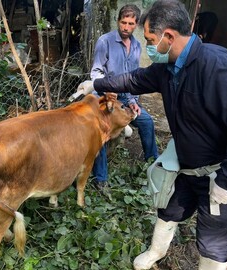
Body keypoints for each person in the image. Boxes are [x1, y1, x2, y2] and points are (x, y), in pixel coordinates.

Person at [77, 0, 227, 269]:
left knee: (212, 242)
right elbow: (131, 79)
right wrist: (95, 84)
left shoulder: (217, 67)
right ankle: (155, 252)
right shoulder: (167, 68)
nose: (147, 45)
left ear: (168, 36)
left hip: (221, 173)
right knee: (169, 209)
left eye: (150, 39)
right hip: (188, 166)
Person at [90, 4, 158, 190]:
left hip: (127, 97)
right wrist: (105, 88)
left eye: (130, 23)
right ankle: (100, 178)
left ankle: (154, 165)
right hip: (106, 96)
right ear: (118, 21)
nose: (125, 27)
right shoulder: (105, 41)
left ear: (136, 25)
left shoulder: (136, 45)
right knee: (102, 129)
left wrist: (134, 101)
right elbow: (95, 73)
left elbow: (134, 78)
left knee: (146, 122)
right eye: (123, 22)